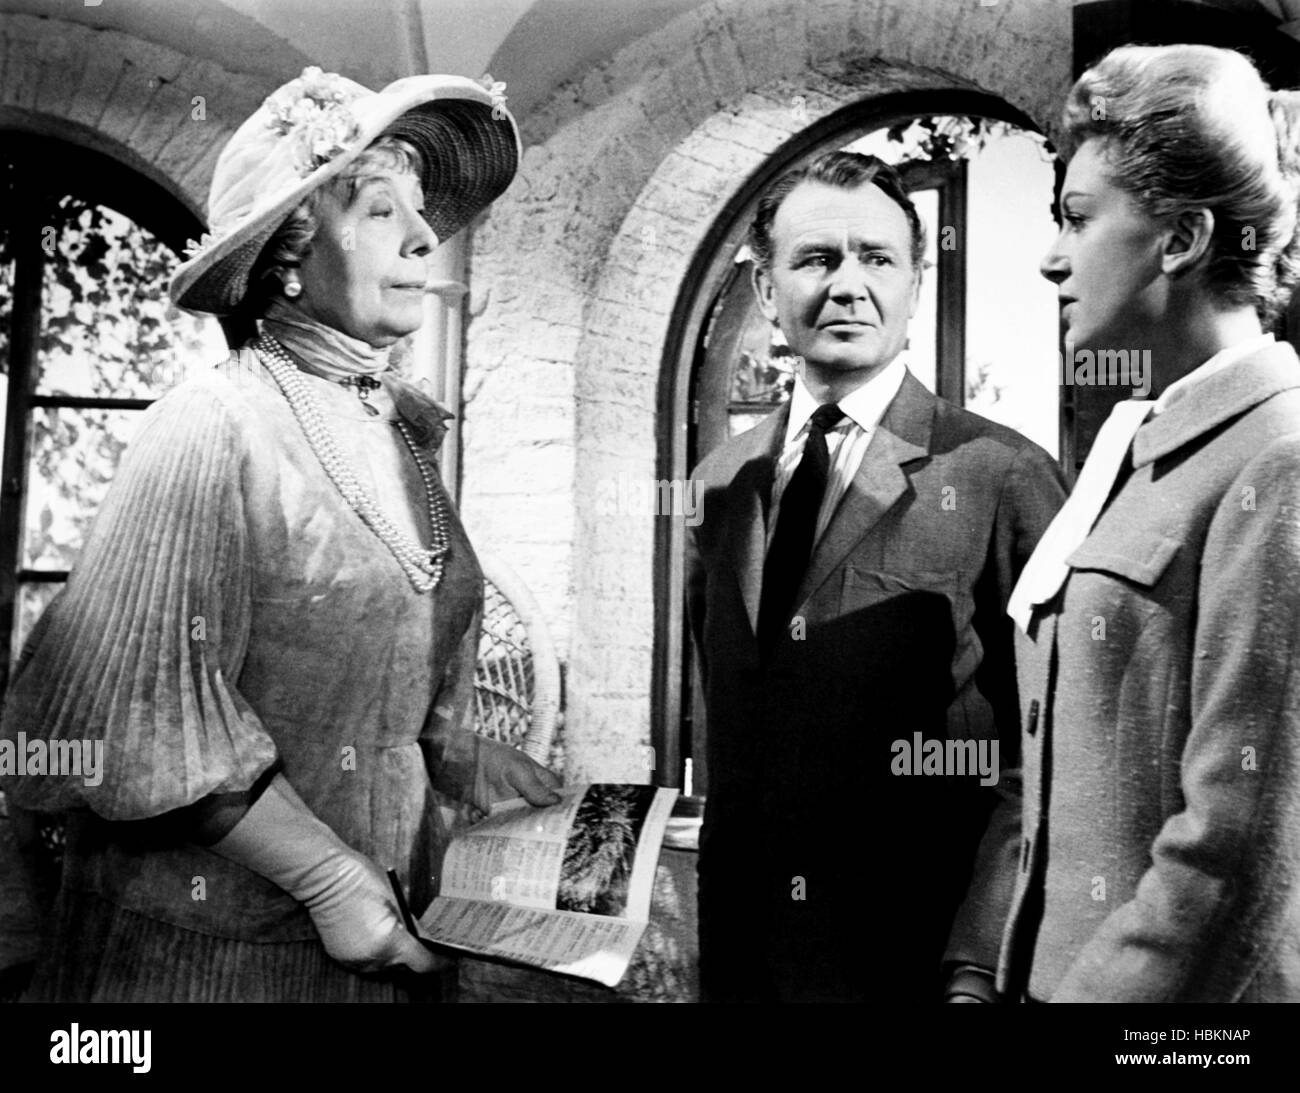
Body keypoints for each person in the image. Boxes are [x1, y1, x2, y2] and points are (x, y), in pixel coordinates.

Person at [0, 65, 561, 1002]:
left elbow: (388, 663)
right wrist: (326, 874)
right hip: (216, 952)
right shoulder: (214, 423)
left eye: (420, 212)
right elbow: (127, 719)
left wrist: (465, 751)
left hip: (387, 934)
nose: (427, 237)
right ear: (288, 253)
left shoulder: (402, 430)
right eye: (381, 210)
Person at [685, 151, 1066, 1003]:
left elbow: (1045, 758)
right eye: (816, 258)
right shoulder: (719, 481)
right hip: (749, 958)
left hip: (919, 959)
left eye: (877, 258)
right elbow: (732, 730)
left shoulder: (1001, 473)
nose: (847, 285)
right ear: (764, 289)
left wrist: (976, 960)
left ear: (916, 283)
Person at [963, 43, 1300, 1003]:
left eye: (1078, 218)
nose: (1051, 256)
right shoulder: (1137, 443)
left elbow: (1231, 850)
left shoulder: (1279, 456)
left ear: (1183, 238)